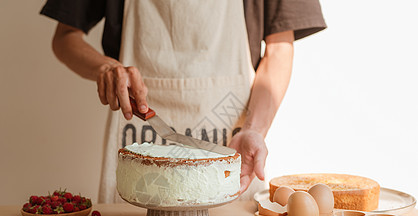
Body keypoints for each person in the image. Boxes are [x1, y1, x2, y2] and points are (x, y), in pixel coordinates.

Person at [40, 0, 326, 203]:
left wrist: (254, 130)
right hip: (137, 130)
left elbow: (279, 49)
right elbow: (65, 38)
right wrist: (104, 69)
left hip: (230, 140)